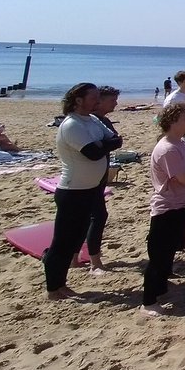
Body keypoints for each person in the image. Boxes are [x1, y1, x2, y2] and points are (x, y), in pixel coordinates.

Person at [44, 83, 121, 300]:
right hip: (73, 190)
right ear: (78, 100)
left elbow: (116, 139)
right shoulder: (71, 124)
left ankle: (62, 284)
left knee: (76, 238)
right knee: (62, 242)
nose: (97, 100)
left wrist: (105, 144)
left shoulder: (93, 120)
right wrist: (105, 144)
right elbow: (93, 153)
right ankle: (53, 288)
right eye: (93, 97)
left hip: (91, 189)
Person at [142, 102, 185, 314]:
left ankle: (161, 289)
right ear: (172, 121)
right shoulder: (168, 147)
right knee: (158, 257)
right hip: (167, 207)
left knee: (168, 252)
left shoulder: (181, 143)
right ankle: (148, 302)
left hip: (182, 204)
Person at [86, 85, 123, 272]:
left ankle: (77, 258)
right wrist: (111, 143)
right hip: (89, 177)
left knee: (89, 217)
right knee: (98, 216)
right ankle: (94, 263)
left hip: (98, 175)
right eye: (112, 100)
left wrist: (111, 143)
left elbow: (115, 141)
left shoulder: (101, 121)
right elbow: (105, 145)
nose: (116, 103)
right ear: (98, 101)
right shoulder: (92, 122)